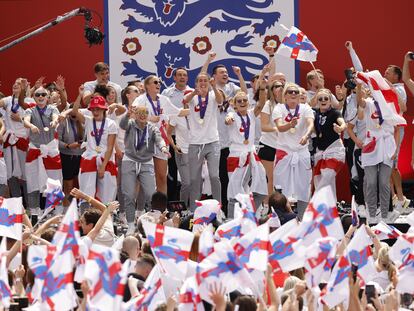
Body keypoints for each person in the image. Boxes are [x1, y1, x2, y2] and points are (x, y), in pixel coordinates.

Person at [120, 103, 170, 234]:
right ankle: (131, 224)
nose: (142, 116)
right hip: (130, 160)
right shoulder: (130, 124)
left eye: (145, 113)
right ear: (136, 115)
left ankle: (151, 222)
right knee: (129, 194)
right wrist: (127, 114)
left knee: (150, 194)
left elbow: (159, 140)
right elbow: (122, 125)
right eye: (140, 113)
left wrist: (163, 149)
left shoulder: (152, 128)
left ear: (148, 116)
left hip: (146, 162)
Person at [356, 83, 399, 224]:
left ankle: (385, 216)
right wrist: (358, 87)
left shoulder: (391, 105)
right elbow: (360, 103)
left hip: (387, 144)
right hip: (371, 143)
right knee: (371, 182)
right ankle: (372, 214)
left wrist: (395, 149)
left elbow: (397, 129)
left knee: (384, 182)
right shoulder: (368, 103)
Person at [182, 72, 223, 211]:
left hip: (212, 141)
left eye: (205, 80)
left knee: (214, 175)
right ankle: (194, 210)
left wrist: (214, 87)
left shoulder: (212, 95)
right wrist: (195, 92)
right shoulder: (192, 96)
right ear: (196, 83)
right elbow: (185, 101)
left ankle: (218, 208)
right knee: (194, 179)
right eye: (200, 80)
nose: (203, 83)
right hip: (195, 143)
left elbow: (220, 100)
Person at [273, 83, 314, 220]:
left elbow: (310, 124)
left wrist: (306, 135)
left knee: (303, 187)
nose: (293, 94)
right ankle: (280, 217)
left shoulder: (305, 108)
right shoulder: (278, 108)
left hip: (301, 152)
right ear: (284, 95)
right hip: (284, 152)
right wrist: (290, 125)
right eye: (290, 92)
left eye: (296, 92)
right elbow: (279, 127)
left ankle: (302, 218)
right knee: (280, 187)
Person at [72, 95, 118, 212]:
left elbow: (110, 147)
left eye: (98, 109)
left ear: (104, 109)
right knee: (86, 190)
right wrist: (79, 95)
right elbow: (74, 111)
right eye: (93, 109)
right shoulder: (88, 120)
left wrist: (103, 166)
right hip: (89, 158)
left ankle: (106, 218)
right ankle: (85, 217)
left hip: (105, 159)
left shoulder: (111, 124)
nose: (95, 111)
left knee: (107, 191)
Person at [23, 86, 62, 217]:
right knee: (33, 182)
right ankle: (34, 213)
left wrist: (55, 121)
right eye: (38, 95)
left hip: (50, 150)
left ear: (47, 97)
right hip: (35, 149)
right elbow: (26, 121)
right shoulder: (30, 110)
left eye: (43, 95)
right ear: (34, 97)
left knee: (55, 182)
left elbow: (56, 116)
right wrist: (31, 125)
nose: (40, 97)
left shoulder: (52, 109)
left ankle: (56, 213)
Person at [134, 75, 177, 194]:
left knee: (162, 176)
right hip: (145, 141)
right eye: (155, 82)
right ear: (147, 85)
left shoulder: (164, 100)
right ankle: (141, 209)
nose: (158, 84)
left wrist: (192, 111)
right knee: (142, 177)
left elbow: (178, 112)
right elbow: (134, 113)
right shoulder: (141, 99)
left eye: (159, 82)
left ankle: (161, 208)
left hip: (161, 141)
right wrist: (149, 118)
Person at [162, 67, 193, 201]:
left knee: (189, 175)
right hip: (170, 135)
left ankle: (187, 202)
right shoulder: (166, 93)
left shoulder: (192, 92)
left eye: (184, 75)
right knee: (172, 172)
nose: (182, 77)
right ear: (174, 77)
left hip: (188, 137)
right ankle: (172, 202)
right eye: (179, 75)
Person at [312, 88, 346, 197]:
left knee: (326, 177)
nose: (323, 100)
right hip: (320, 153)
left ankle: (320, 204)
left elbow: (343, 123)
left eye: (326, 98)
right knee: (322, 181)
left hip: (334, 151)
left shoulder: (334, 113)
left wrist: (340, 128)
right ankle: (330, 208)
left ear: (330, 101)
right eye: (320, 98)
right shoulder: (314, 113)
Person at [0, 78, 29, 199]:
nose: (15, 84)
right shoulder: (7, 100)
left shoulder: (30, 100)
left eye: (19, 83)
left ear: (24, 86)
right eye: (14, 83)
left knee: (26, 175)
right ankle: (17, 204)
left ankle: (30, 207)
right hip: (9, 142)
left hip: (23, 142)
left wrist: (20, 119)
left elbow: (31, 119)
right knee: (10, 175)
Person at [57, 85, 84, 207]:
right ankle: (66, 209)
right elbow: (57, 141)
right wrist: (68, 146)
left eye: (77, 112)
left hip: (81, 157)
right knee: (67, 184)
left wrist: (82, 144)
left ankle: (78, 208)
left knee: (80, 184)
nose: (74, 115)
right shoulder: (63, 122)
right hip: (67, 156)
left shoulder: (83, 123)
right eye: (73, 112)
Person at [259, 79, 284, 204]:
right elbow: (263, 126)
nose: (280, 88)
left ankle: (282, 206)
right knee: (269, 178)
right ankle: (267, 206)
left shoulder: (289, 105)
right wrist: (278, 128)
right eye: (277, 86)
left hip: (284, 147)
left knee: (282, 179)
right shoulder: (268, 104)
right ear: (272, 90)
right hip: (268, 145)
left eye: (282, 86)